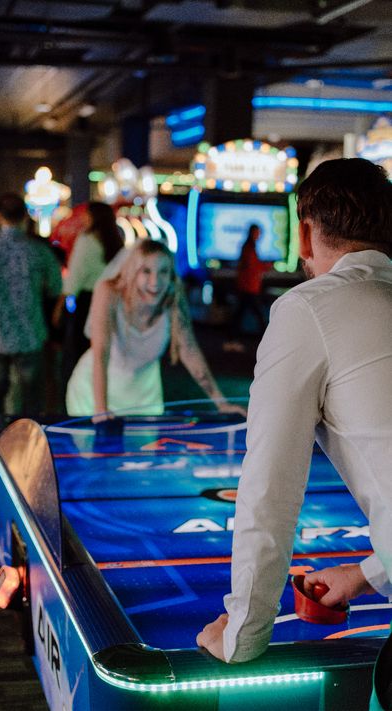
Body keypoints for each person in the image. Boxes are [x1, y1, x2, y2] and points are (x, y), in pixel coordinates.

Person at [196, 158, 392, 668]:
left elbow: (269, 487)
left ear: (305, 236)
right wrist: (368, 574)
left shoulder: (308, 307)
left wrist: (241, 633)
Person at [66, 238, 245, 418]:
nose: (155, 281)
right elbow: (101, 350)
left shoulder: (173, 298)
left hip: (145, 399)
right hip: (94, 394)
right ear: (132, 272)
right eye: (146, 271)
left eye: (163, 272)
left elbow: (189, 351)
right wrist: (101, 409)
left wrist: (222, 404)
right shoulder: (109, 292)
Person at [0, 192, 62, 418]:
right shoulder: (38, 251)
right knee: (32, 402)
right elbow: (55, 287)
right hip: (30, 333)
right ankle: (28, 448)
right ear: (25, 217)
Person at [52, 201, 124, 388]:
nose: (83, 217)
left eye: (86, 214)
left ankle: (84, 390)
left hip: (88, 301)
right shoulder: (116, 239)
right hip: (111, 299)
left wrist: (60, 305)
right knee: (104, 346)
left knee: (83, 348)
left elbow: (75, 277)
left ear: (94, 217)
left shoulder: (87, 239)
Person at [224, 223, 272, 352]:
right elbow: (252, 266)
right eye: (257, 232)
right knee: (257, 315)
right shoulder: (249, 247)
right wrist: (266, 266)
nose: (259, 235)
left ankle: (231, 340)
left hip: (248, 287)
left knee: (241, 314)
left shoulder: (249, 246)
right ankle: (269, 342)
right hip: (248, 287)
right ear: (252, 233)